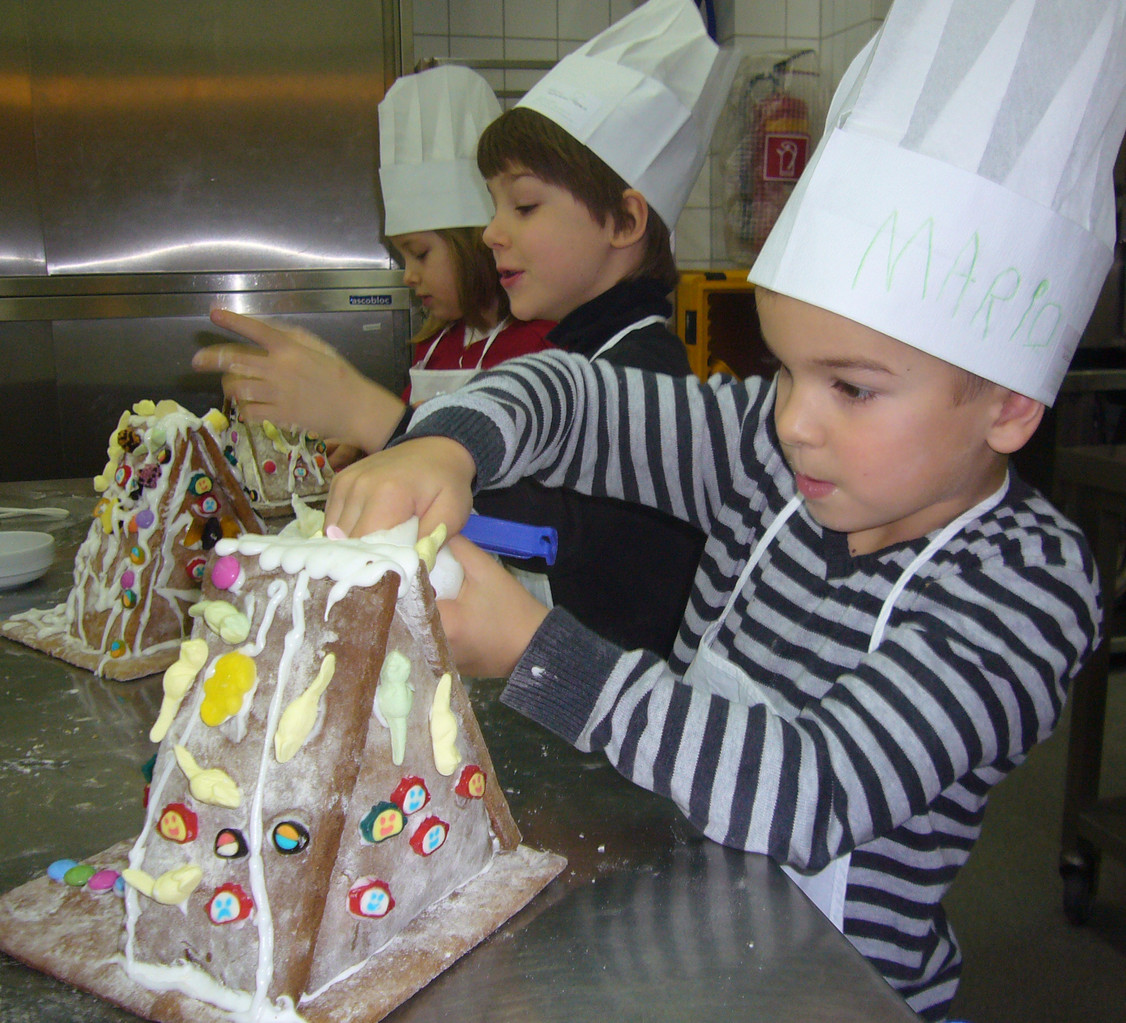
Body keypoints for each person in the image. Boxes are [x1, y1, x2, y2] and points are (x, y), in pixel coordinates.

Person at [321, 0, 1126, 1018]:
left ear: (1009, 404)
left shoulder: (1025, 587)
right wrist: (448, 444)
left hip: (840, 992)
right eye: (784, 370)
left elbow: (814, 792)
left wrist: (538, 650)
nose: (794, 422)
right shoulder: (770, 457)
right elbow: (574, 397)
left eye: (852, 387)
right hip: (686, 940)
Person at [331, 0, 734, 656]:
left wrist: (374, 418)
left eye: (522, 204)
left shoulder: (642, 369)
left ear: (625, 222)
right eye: (494, 206)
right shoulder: (576, 347)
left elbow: (544, 525)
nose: (492, 231)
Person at [192, 64, 554, 468]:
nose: (408, 274)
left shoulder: (538, 346)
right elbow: (404, 432)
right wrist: (362, 445)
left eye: (420, 253)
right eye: (401, 257)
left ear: (477, 244)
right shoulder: (435, 346)